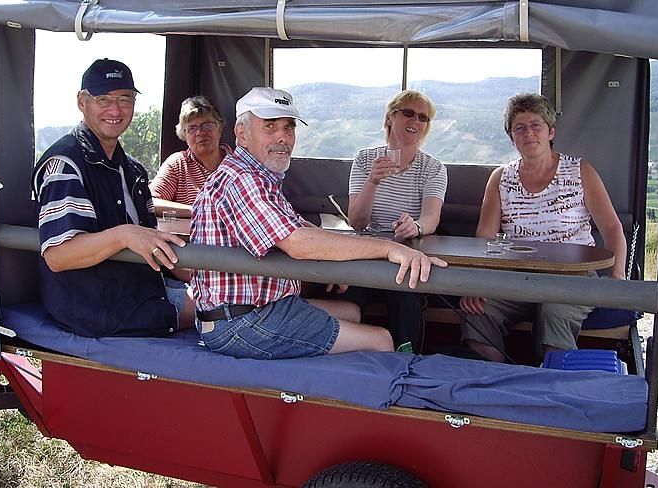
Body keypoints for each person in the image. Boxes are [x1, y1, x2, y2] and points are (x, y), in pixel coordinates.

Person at [190, 87, 447, 359]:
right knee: (381, 339)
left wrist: (337, 266)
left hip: (261, 307)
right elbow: (298, 242)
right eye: (270, 127)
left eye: (288, 128)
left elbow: (302, 227)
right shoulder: (242, 179)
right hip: (243, 321)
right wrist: (388, 248)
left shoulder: (259, 177)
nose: (283, 137)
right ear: (242, 134)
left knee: (353, 311)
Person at [459, 93, 627, 363]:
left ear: (551, 132)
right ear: (511, 136)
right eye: (520, 128)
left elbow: (611, 227)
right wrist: (476, 282)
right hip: (514, 277)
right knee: (477, 311)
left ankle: (548, 385)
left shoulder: (580, 171)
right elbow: (485, 238)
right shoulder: (501, 178)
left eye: (536, 125)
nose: (529, 133)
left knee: (554, 311)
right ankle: (498, 379)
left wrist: (617, 279)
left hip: (574, 276)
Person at [33, 58, 195, 338]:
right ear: (82, 102)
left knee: (235, 292)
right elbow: (58, 256)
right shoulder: (66, 164)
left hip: (141, 288)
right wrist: (124, 235)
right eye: (103, 99)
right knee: (228, 308)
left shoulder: (133, 170)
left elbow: (147, 241)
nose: (115, 110)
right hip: (97, 307)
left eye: (125, 99)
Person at [346, 90, 447, 352]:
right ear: (391, 117)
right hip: (366, 254)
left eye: (423, 118)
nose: (416, 121)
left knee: (406, 294)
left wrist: (416, 226)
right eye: (408, 113)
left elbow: (431, 217)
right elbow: (357, 222)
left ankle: (405, 359)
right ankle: (348, 361)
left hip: (406, 254)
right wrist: (373, 181)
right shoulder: (365, 159)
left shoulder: (433, 168)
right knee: (350, 296)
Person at [150, 96, 232, 217]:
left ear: (219, 129)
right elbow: (150, 202)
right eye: (192, 128)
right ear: (184, 135)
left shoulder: (238, 163)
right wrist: (196, 210)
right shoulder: (178, 164)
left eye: (207, 125)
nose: (200, 132)